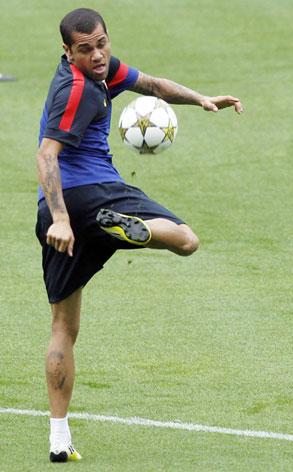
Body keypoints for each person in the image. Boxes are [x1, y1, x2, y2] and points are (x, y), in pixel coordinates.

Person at [35, 7, 243, 463]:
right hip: (88, 199)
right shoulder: (76, 90)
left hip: (58, 216)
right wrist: (64, 218)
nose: (97, 55)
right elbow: (46, 156)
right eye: (85, 49)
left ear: (106, 38)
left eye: (101, 44)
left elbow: (151, 85)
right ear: (67, 52)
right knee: (186, 240)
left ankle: (58, 438)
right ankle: (134, 231)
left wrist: (201, 98)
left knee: (63, 328)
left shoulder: (99, 71)